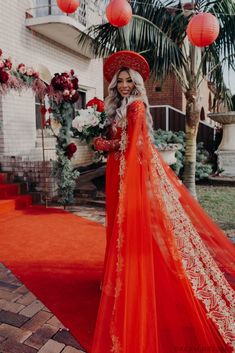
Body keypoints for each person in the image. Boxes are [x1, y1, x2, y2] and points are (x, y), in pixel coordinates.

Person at [92, 50, 235, 353]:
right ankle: (118, 277)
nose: (124, 85)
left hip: (126, 171)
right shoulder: (118, 107)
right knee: (120, 227)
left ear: (138, 83)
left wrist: (106, 144)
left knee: (128, 227)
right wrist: (100, 136)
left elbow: (134, 144)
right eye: (120, 81)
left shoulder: (136, 108)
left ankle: (132, 282)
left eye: (130, 81)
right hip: (118, 170)